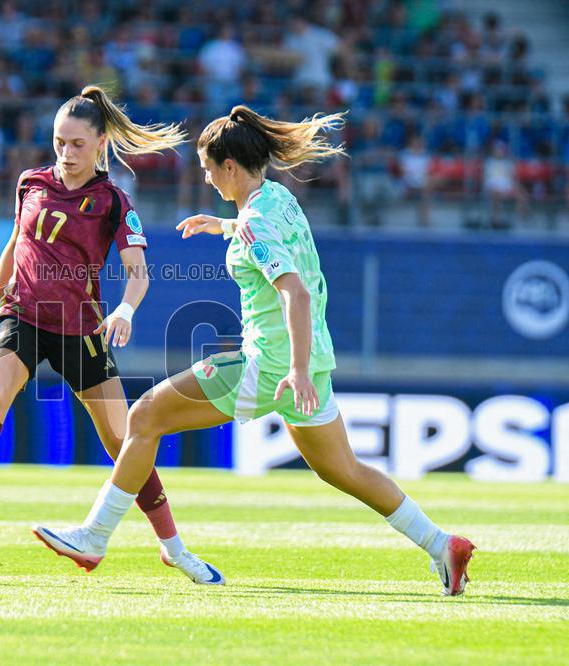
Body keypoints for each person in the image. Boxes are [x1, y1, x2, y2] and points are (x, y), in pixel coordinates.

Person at [34, 106, 476, 597]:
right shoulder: (277, 200)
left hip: (270, 365)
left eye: (208, 168)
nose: (206, 178)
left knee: (143, 417)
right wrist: (223, 225)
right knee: (343, 469)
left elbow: (295, 293)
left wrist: (295, 370)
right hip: (310, 362)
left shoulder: (257, 224)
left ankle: (95, 536)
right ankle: (441, 544)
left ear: (229, 166)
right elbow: (263, 235)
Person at [0, 86, 225, 585]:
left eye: (77, 144)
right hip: (22, 316)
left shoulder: (113, 202)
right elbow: (14, 246)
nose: (66, 153)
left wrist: (126, 309)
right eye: (59, 142)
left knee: (124, 439)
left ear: (100, 145)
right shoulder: (30, 182)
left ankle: (173, 547)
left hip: (80, 329)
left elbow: (138, 272)